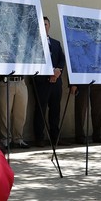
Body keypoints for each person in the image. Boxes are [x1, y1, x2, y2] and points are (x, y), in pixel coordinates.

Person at [32, 16, 66, 147]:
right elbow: (35, 62)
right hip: (42, 82)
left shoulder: (56, 43)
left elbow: (62, 60)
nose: (44, 26)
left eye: (46, 24)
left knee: (55, 110)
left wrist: (57, 71)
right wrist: (50, 72)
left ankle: (55, 138)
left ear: (49, 26)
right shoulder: (34, 44)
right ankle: (39, 138)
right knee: (41, 110)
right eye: (42, 24)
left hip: (56, 83)